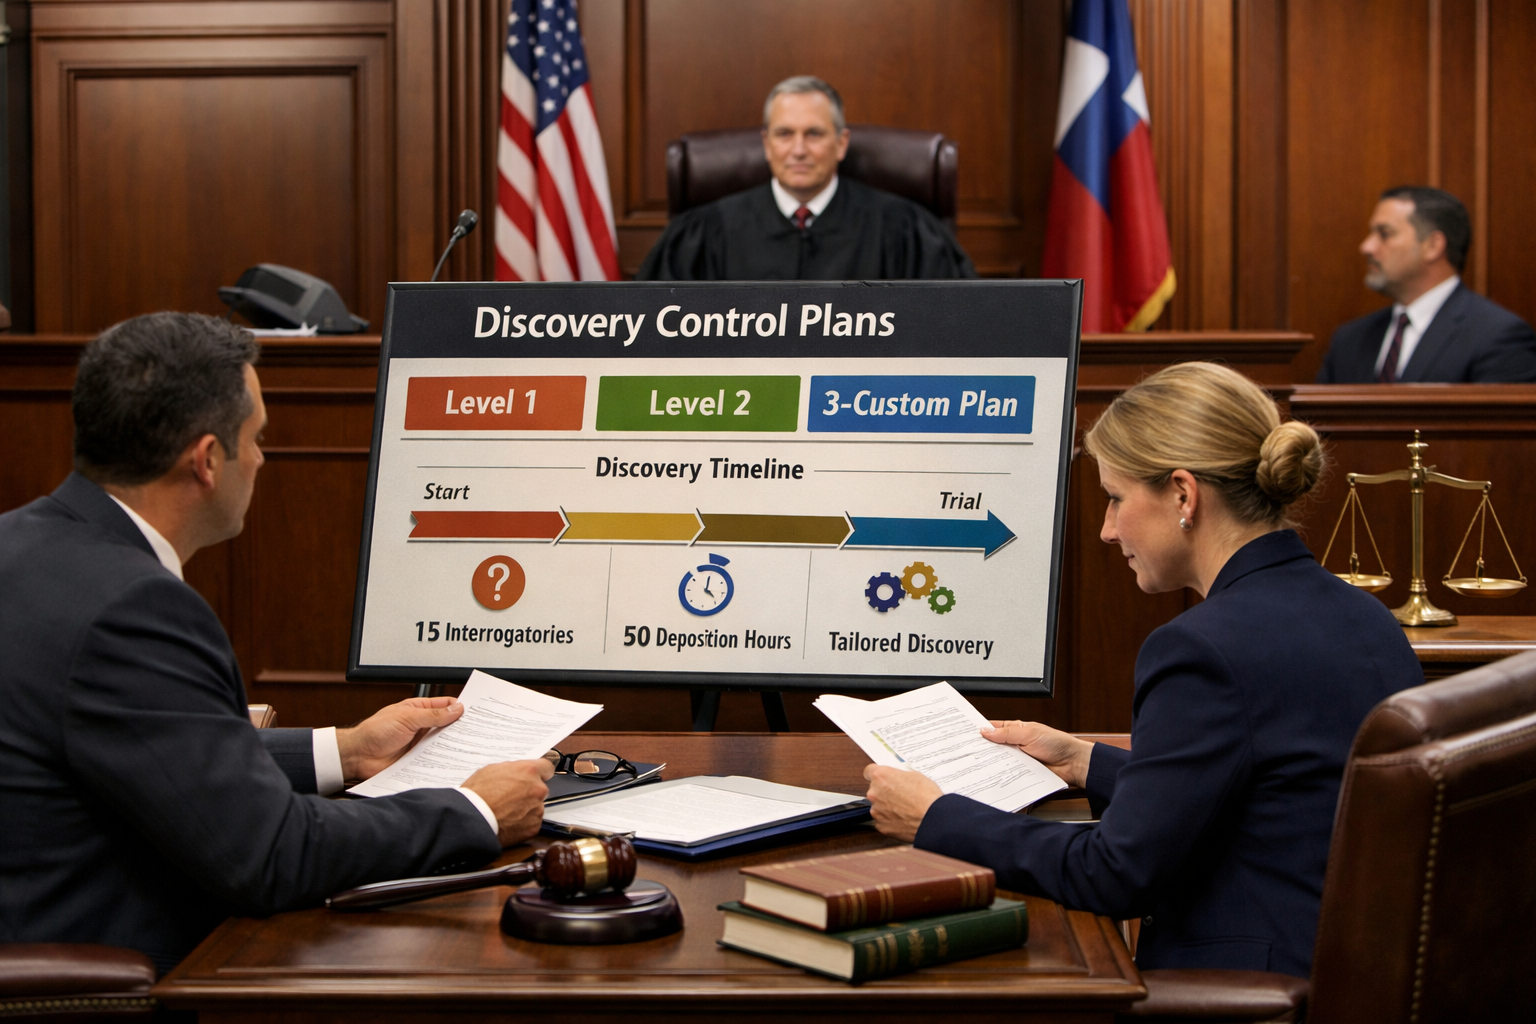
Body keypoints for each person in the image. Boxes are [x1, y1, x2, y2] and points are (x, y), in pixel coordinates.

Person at [0, 313, 554, 972]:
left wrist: (343, 751)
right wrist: (473, 810)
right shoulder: (135, 607)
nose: (262, 457)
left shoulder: (21, 543)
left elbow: (144, 738)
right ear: (207, 460)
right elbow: (270, 854)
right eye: (256, 438)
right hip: (112, 976)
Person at [862, 362, 1423, 978]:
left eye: (1115, 498)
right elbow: (1273, 789)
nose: (1106, 530)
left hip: (1249, 989)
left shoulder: (1200, 650)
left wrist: (936, 818)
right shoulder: (1365, 615)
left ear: (1183, 494)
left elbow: (1113, 873)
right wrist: (1085, 761)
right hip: (1347, 966)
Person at [636, 76, 976, 281]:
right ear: (767, 145)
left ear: (841, 143)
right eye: (784, 134)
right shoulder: (704, 233)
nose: (798, 150)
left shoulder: (905, 230)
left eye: (814, 134)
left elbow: (951, 332)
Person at [1317, 186, 1536, 383]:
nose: (1367, 247)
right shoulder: (1350, 339)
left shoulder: (1497, 336)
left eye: (1384, 234)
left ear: (1433, 246)